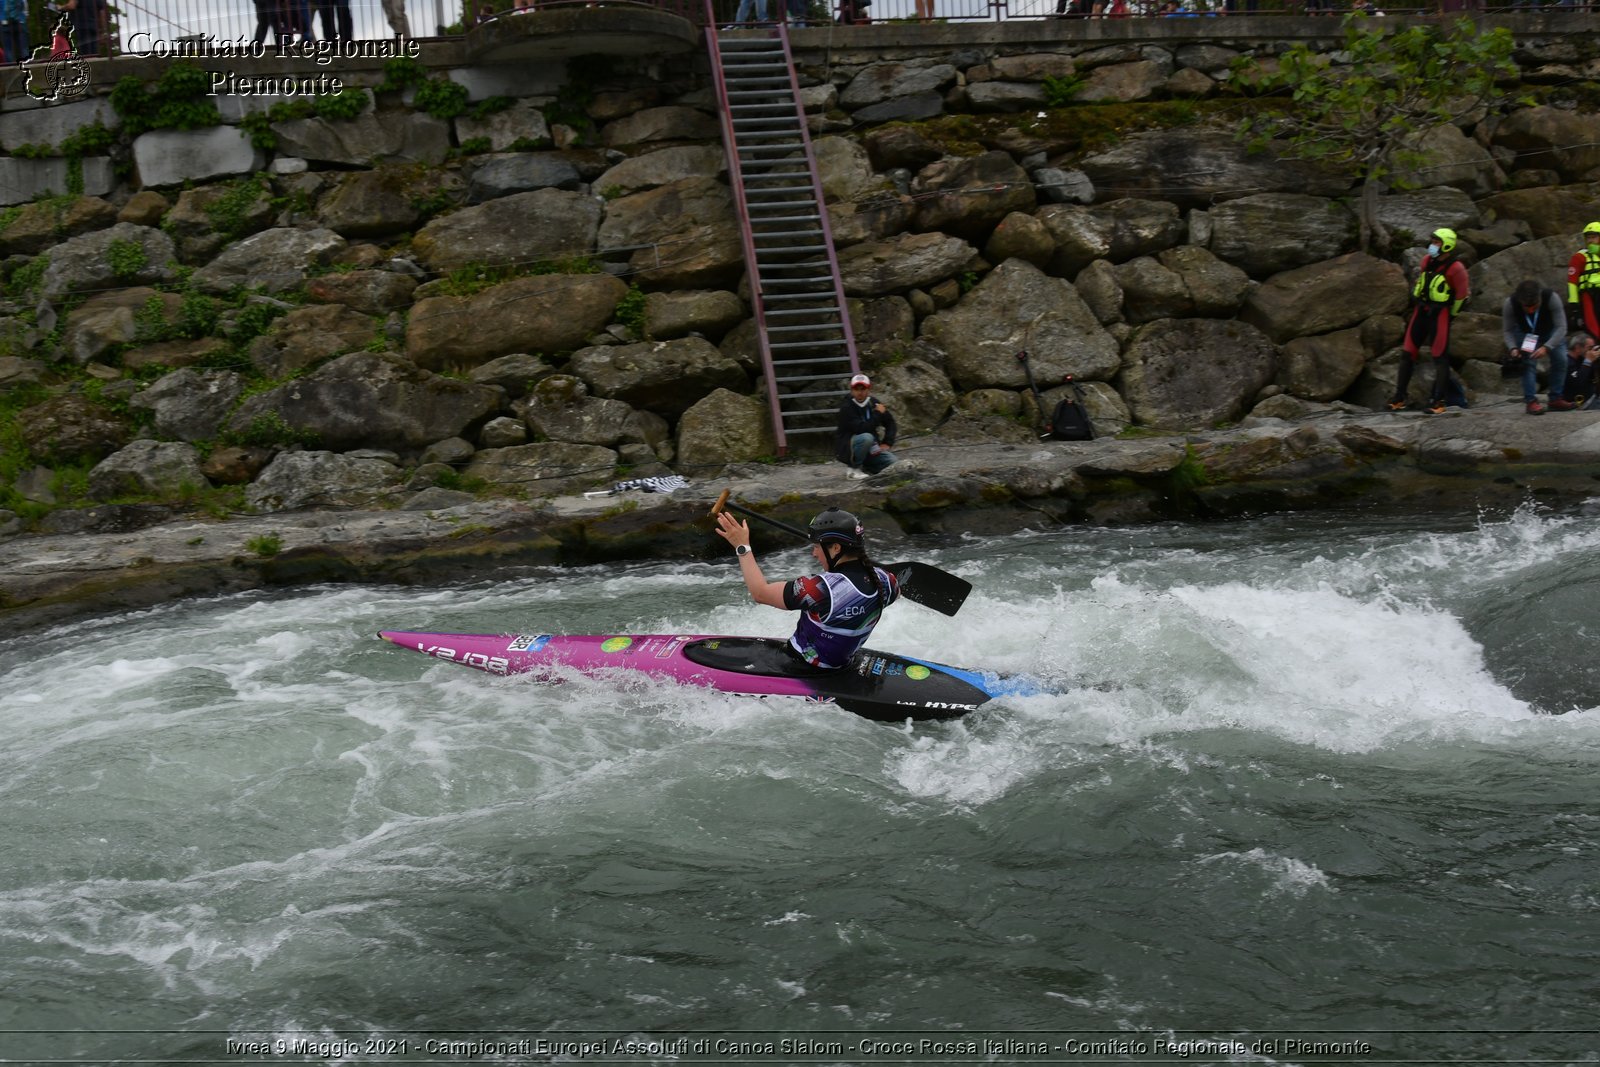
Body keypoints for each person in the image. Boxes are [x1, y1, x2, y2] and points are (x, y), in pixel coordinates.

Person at [714, 507, 900, 670]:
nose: (814, 553)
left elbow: (760, 593)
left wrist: (742, 546)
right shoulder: (886, 582)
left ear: (835, 548)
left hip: (802, 666)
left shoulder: (820, 589)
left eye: (817, 546)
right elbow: (888, 592)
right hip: (842, 664)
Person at [1388, 228, 1470, 415]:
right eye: (1432, 241)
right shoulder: (1426, 261)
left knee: (1439, 357)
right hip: (1421, 311)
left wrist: (1451, 316)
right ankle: (1399, 397)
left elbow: (1461, 295)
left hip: (1440, 314)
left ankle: (1438, 401)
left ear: (1447, 245)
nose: (1432, 245)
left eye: (1437, 242)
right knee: (1407, 353)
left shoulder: (1456, 268)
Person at [1501, 279, 1573, 415]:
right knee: (1528, 362)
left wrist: (1547, 347)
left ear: (1540, 297)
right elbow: (1508, 330)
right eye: (1526, 307)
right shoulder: (1510, 304)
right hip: (1526, 333)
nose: (1530, 310)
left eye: (1534, 306)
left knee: (1561, 359)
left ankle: (1555, 398)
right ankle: (1530, 401)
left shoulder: (1552, 298)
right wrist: (1513, 348)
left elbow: (1562, 327)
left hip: (1551, 331)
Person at [835, 372, 897, 478]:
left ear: (868, 389)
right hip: (849, 448)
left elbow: (890, 423)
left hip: (872, 448)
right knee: (867, 437)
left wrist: (887, 442)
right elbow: (862, 429)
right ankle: (854, 468)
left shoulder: (873, 403)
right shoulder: (846, 407)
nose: (860, 392)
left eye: (863, 389)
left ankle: (867, 467)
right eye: (856, 389)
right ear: (852, 390)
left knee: (893, 462)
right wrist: (877, 414)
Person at [1565, 221, 1600, 336]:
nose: (1590, 241)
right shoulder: (1579, 257)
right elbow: (1572, 283)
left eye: (1593, 237)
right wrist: (1574, 305)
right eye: (1588, 238)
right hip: (1588, 294)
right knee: (1592, 325)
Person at [1561, 331, 1597, 406]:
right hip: (1581, 403)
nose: (1592, 351)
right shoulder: (1566, 362)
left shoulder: (1582, 359)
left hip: (1592, 398)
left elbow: (1593, 378)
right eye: (1590, 348)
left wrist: (1595, 362)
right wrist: (1588, 361)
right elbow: (1578, 383)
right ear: (1578, 348)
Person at [1, 0, 29, 67]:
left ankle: (10, 68)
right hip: (20, 22)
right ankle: (26, 66)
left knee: (8, 50)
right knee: (23, 48)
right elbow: (25, 6)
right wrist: (24, 18)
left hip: (5, 23)